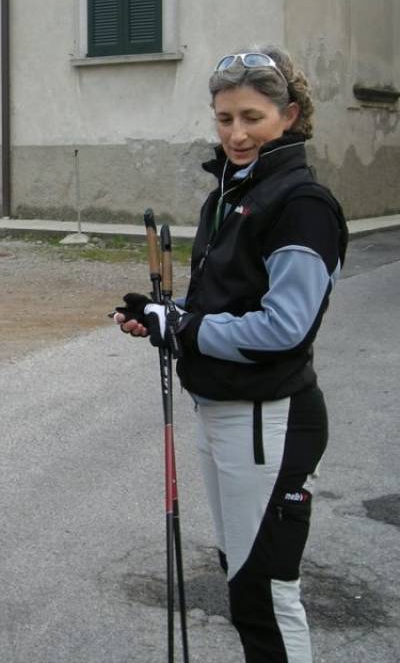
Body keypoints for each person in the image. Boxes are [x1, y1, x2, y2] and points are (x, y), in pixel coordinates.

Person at [113, 46, 347, 662]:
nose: (237, 133)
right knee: (243, 581)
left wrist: (184, 326)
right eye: (224, 118)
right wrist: (159, 316)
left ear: (289, 116)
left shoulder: (301, 205)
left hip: (268, 416)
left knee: (265, 596)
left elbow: (283, 328)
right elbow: (224, 297)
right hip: (222, 412)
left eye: (252, 117)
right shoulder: (228, 194)